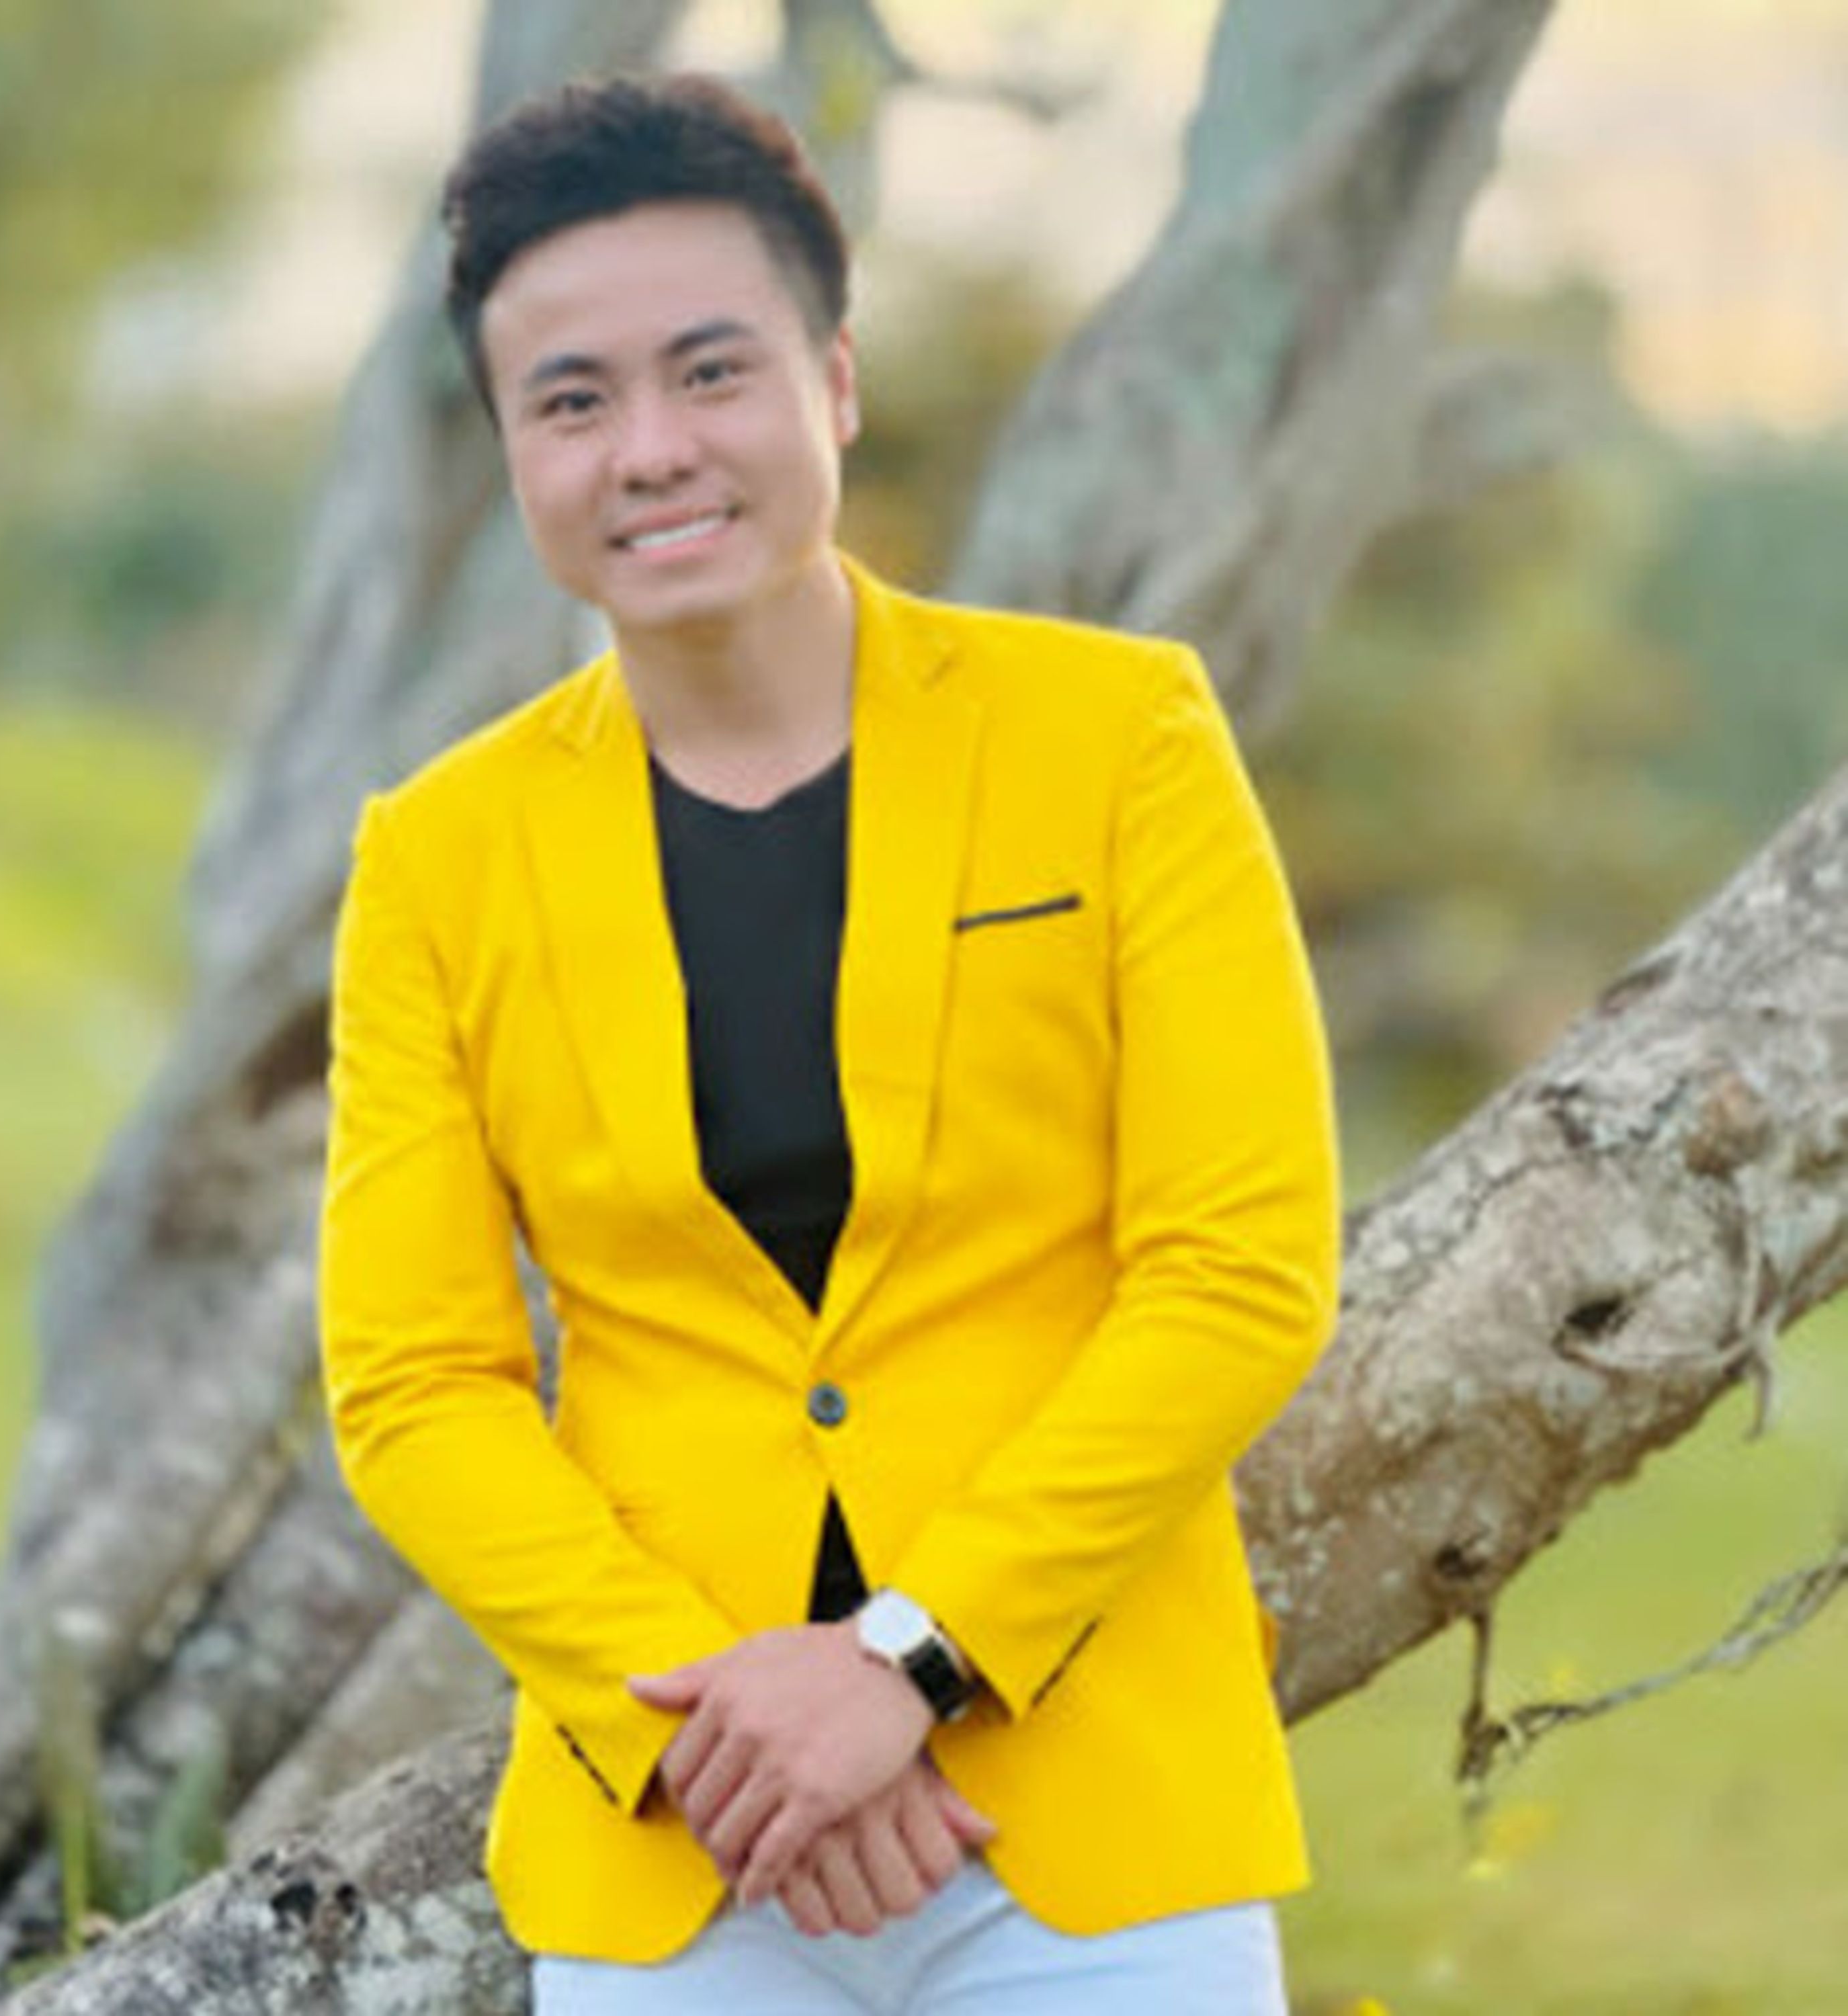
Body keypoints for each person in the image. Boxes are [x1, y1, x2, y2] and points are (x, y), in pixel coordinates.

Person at [319, 71, 1339, 2016]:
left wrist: (906, 1661)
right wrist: (731, 1726)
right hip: (678, 1849)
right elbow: (415, 1384)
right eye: (572, 402)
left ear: (836, 384)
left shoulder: (1121, 739)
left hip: (1091, 1821)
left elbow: (1241, 1268)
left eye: (711, 373)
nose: (651, 451)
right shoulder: (437, 858)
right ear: (513, 449)